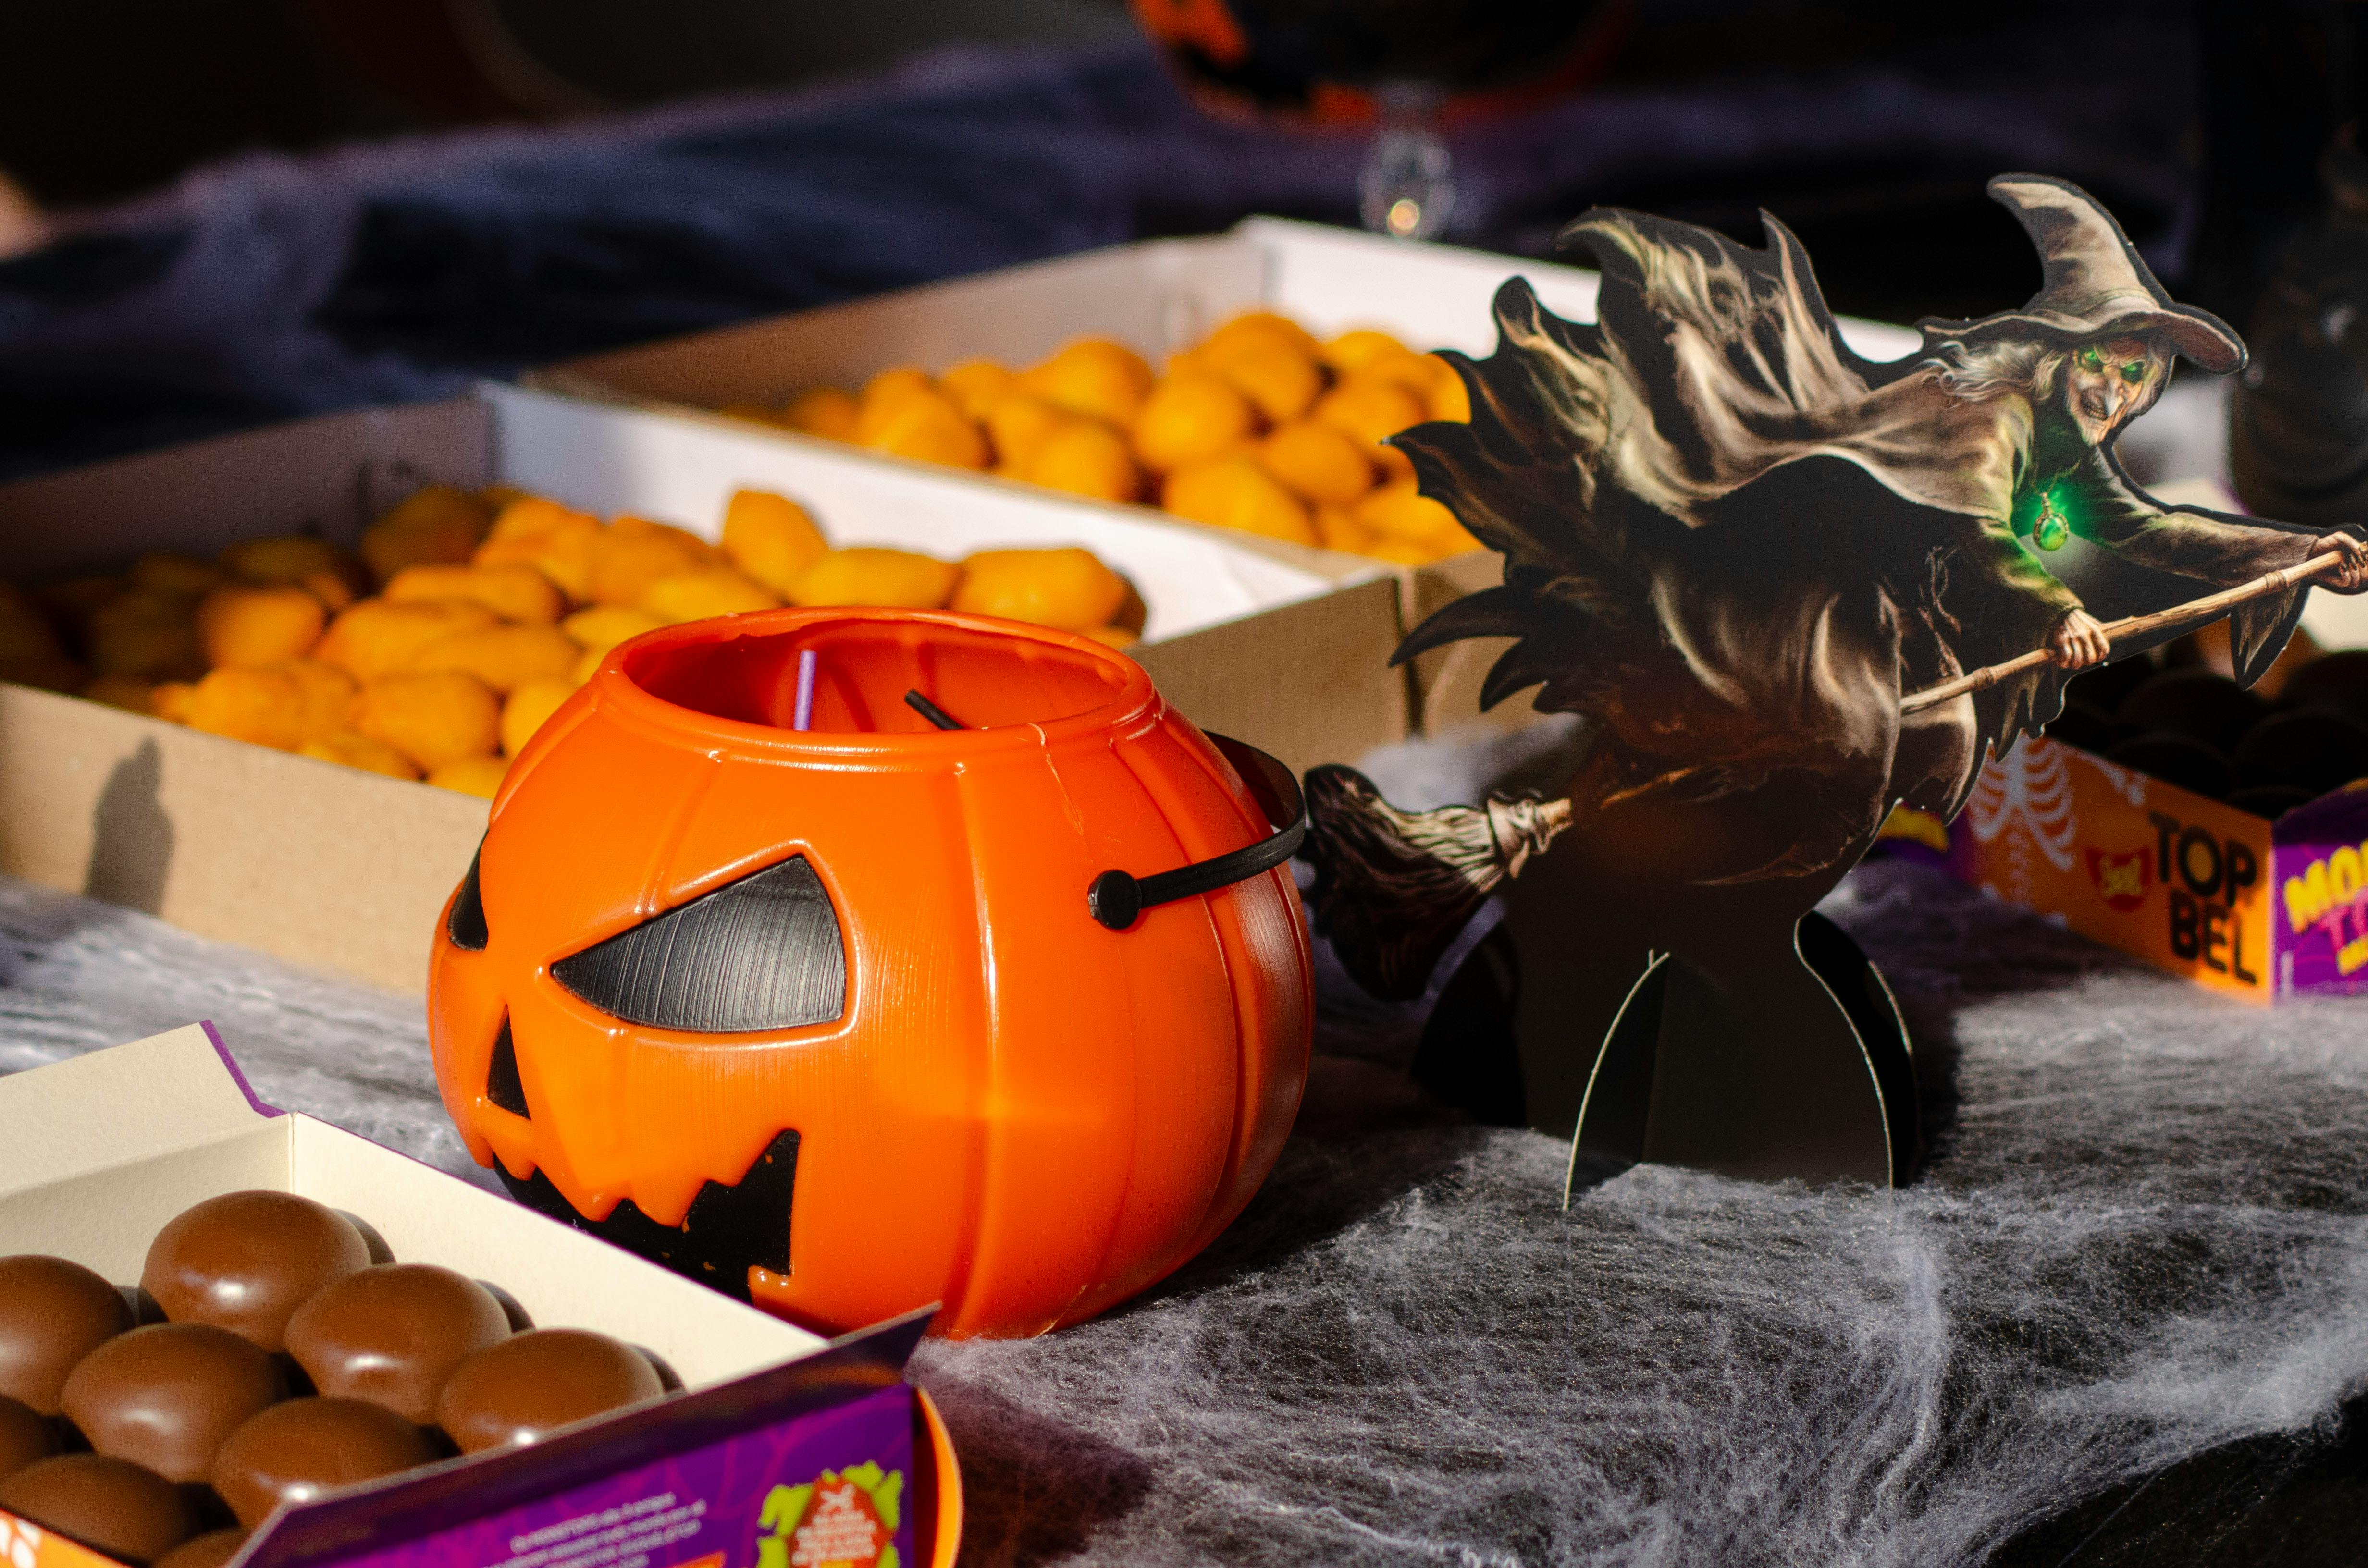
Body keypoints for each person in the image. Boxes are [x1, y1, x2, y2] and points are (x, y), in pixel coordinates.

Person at [1309, 175, 2368, 1004]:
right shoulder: (1989, 411)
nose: (2125, 389)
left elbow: (2149, 528)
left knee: (1791, 797)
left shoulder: (2057, 440)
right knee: (1781, 785)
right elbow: (1978, 532)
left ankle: (1622, 915)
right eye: (2113, 356)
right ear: (2056, 343)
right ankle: (1635, 941)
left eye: (2146, 373)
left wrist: (2289, 554)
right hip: (1785, 615)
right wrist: (2059, 613)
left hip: (1855, 649)